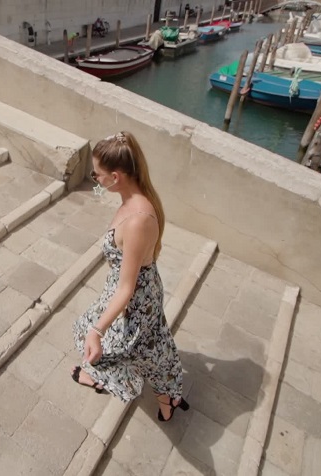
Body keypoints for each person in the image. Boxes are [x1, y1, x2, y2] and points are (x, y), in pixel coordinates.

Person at [71, 132, 189, 422]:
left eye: (97, 175)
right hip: (139, 287)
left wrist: (97, 331)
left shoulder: (137, 220)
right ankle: (168, 398)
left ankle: (164, 397)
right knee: (154, 348)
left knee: (124, 349)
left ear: (115, 176)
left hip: (135, 298)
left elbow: (127, 287)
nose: (95, 179)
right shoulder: (137, 197)